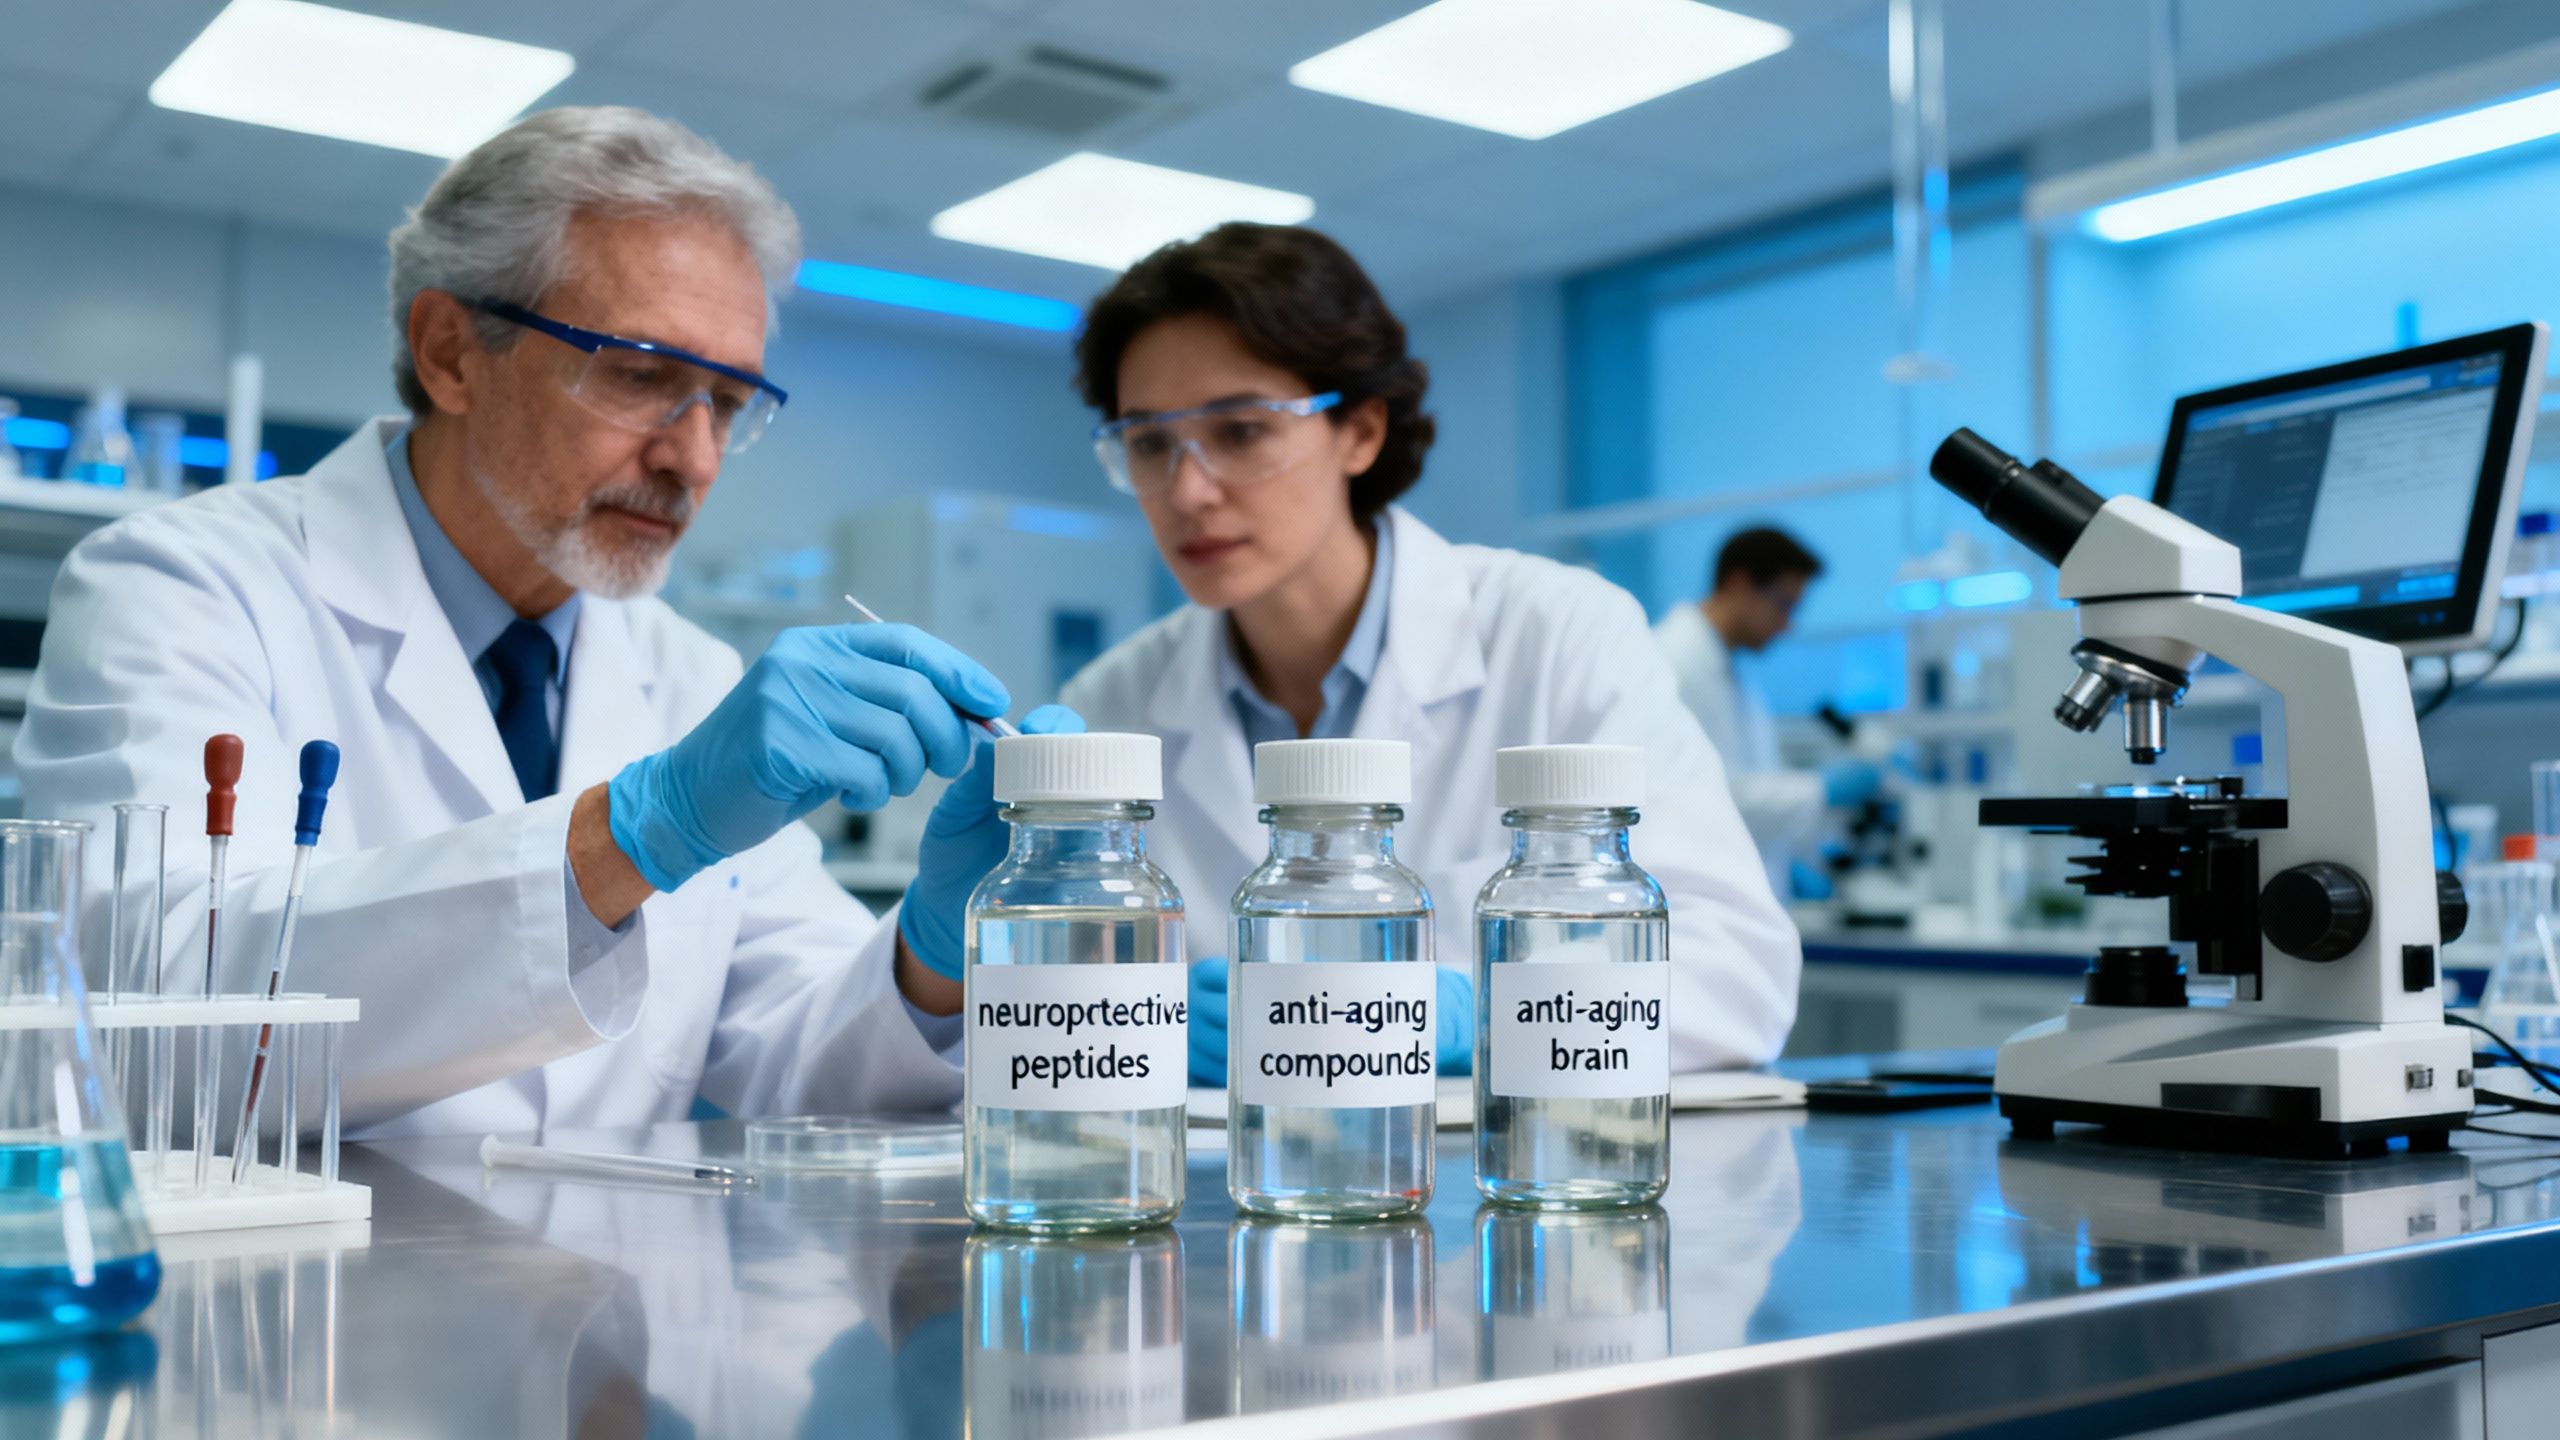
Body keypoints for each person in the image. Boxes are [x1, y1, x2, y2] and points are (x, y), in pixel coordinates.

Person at [14, 107, 1044, 1137]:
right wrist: (633, 833)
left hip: (607, 1250)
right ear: (451, 353)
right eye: (640, 375)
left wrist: (937, 954)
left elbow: (799, 1056)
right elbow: (159, 1014)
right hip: (297, 1246)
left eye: (728, 403)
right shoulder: (180, 587)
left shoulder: (688, 673)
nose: (693, 459)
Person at [1057, 223, 1799, 1082]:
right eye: (1149, 443)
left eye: (1242, 430)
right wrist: (1134, 1027)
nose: (1188, 490)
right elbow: (1014, 1028)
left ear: (1360, 430)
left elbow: (1735, 969)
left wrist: (1476, 1013)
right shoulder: (1107, 705)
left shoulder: (1556, 631)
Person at [1653, 528, 1882, 896]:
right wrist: (1821, 790)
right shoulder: (1673, 662)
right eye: (1784, 605)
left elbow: (1751, 779)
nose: (1787, 625)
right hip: (1698, 897)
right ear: (1739, 584)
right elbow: (1704, 797)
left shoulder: (1731, 672)